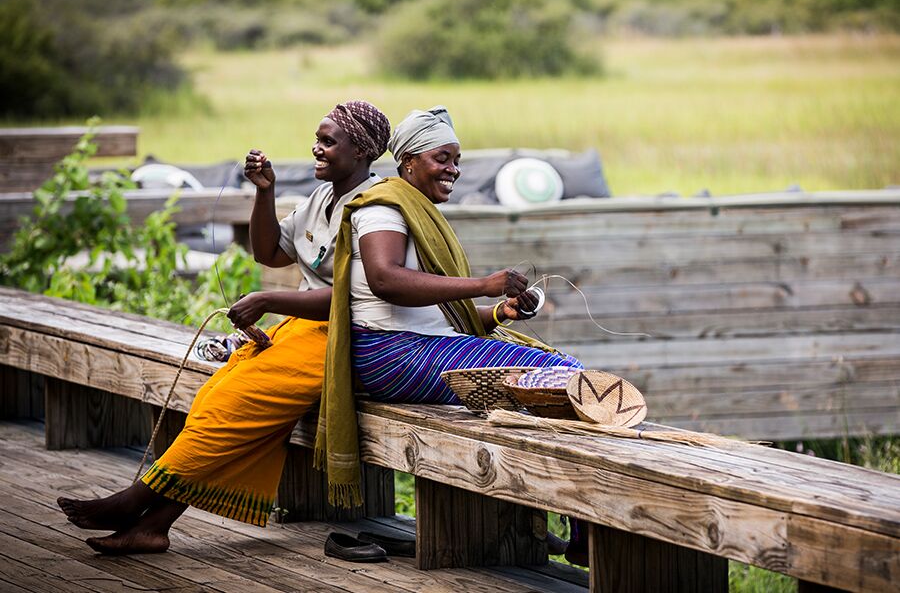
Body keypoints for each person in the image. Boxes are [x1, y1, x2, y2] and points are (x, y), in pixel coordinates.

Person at [57, 101, 391, 555]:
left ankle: (133, 502)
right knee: (216, 398)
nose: (317, 148)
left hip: (342, 341)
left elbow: (350, 298)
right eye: (318, 138)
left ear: (362, 151)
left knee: (234, 404)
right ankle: (153, 525)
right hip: (302, 331)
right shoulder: (322, 197)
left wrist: (269, 298)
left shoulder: (373, 209)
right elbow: (269, 253)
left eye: (329, 141)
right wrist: (265, 192)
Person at [316, 106, 588, 563]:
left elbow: (443, 319)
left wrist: (497, 311)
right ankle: (583, 535)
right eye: (442, 158)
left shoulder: (412, 207)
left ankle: (546, 526)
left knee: (560, 383)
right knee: (568, 380)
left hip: (419, 349)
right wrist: (483, 283)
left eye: (457, 159)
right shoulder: (385, 206)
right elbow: (385, 280)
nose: (453, 170)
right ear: (408, 162)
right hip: (392, 356)